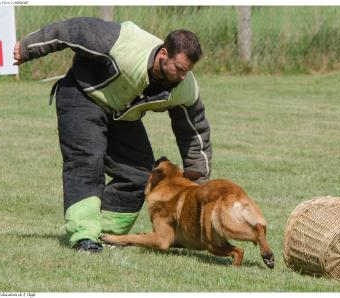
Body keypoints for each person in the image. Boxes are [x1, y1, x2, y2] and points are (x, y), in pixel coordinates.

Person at [13, 17, 212, 253]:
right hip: (82, 94)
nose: (182, 76)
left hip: (121, 112)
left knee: (139, 174)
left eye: (187, 71)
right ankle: (84, 235)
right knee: (87, 161)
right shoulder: (123, 44)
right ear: (163, 54)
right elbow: (73, 30)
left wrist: (199, 184)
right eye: (178, 69)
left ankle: (107, 234)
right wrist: (28, 47)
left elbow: (194, 132)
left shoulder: (185, 87)